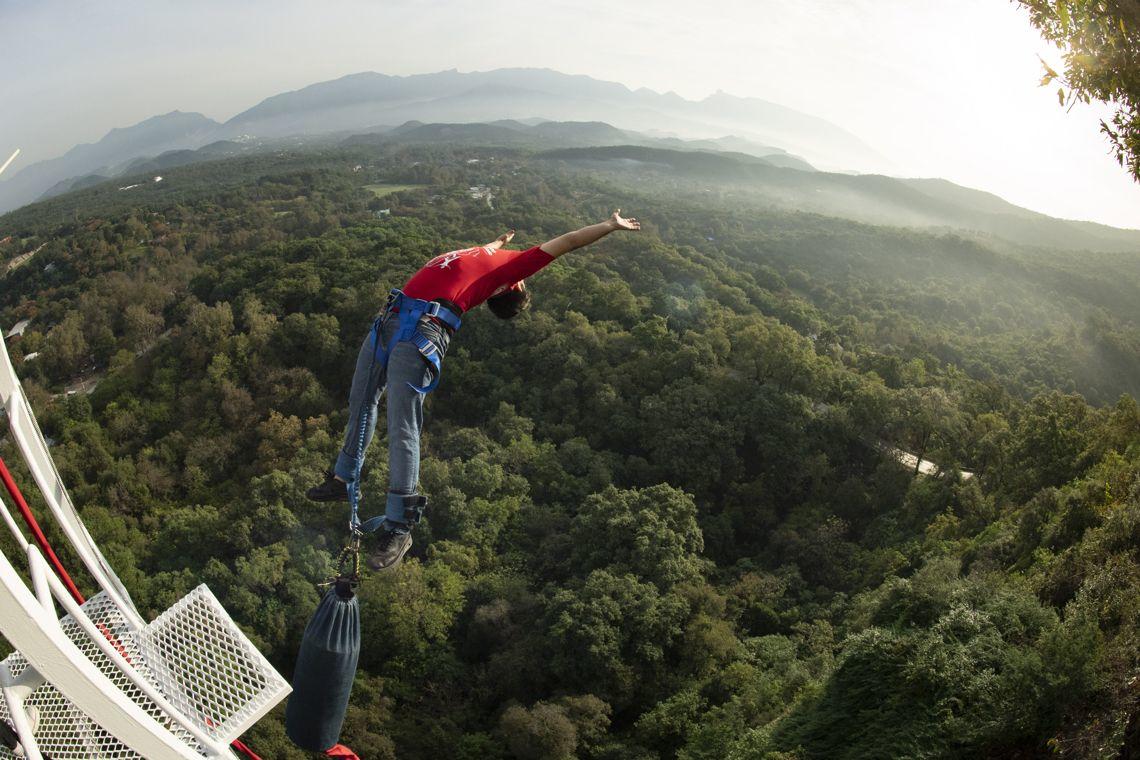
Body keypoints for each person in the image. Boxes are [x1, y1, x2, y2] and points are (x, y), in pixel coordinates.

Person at [307, 210, 642, 569]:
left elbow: (569, 241)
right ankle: (344, 478)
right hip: (392, 317)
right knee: (361, 400)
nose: (522, 278)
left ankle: (400, 525)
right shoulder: (490, 258)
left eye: (521, 282)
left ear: (509, 287)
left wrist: (609, 226)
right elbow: (479, 254)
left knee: (402, 422)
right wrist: (498, 242)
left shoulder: (509, 271)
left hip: (421, 330)